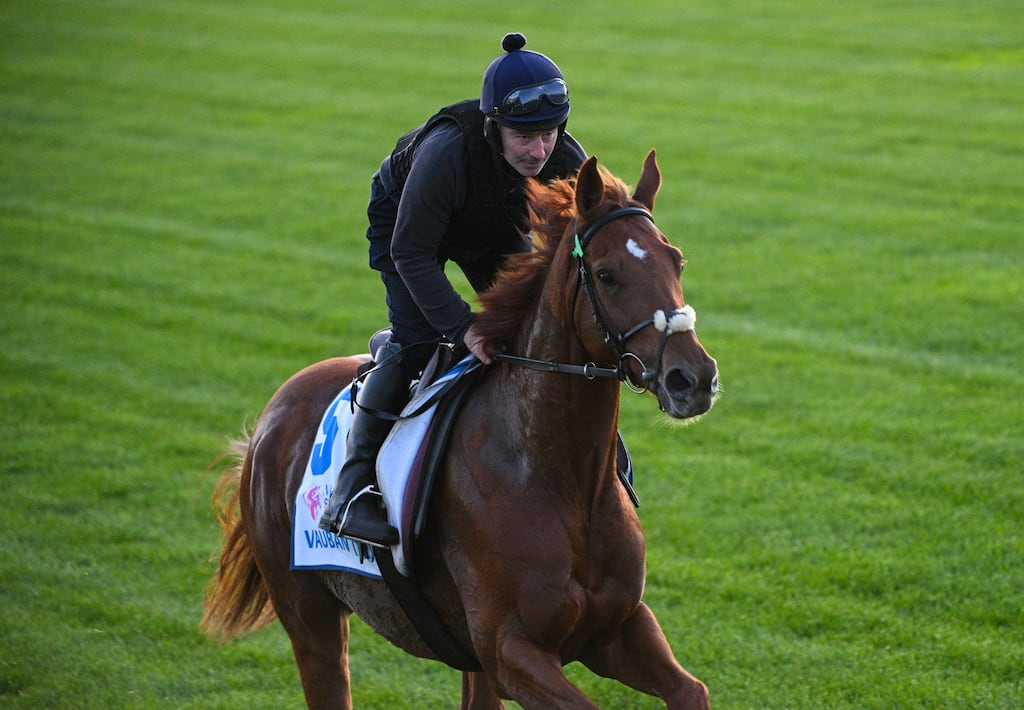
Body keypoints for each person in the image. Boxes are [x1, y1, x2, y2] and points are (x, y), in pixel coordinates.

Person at [318, 33, 587, 547]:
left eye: (549, 134)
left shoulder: (562, 157)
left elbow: (576, 244)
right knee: (422, 339)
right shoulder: (447, 153)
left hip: (485, 228)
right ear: (494, 128)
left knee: (529, 327)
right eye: (523, 138)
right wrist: (464, 329)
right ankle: (350, 490)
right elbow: (410, 252)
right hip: (406, 226)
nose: (539, 150)